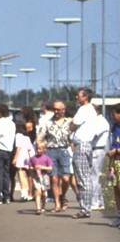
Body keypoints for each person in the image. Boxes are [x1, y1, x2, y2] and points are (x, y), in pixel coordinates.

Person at [38, 99, 71, 212]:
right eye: (54, 109)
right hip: (51, 151)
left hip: (64, 151)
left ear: (63, 110)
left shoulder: (69, 122)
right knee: (54, 178)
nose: (56, 112)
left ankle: (62, 196)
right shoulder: (48, 122)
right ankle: (57, 204)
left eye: (58, 109)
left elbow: (73, 138)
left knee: (66, 178)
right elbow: (40, 137)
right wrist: (40, 145)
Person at [70, 88, 97, 219]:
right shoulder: (91, 110)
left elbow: (73, 124)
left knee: (82, 178)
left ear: (85, 97)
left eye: (78, 95)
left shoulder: (84, 109)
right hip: (87, 145)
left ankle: (85, 209)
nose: (76, 97)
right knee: (85, 177)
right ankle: (86, 207)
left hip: (82, 145)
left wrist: (70, 125)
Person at [90, 103, 110, 211]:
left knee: (95, 176)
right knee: (97, 176)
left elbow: (93, 134)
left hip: (98, 149)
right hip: (96, 150)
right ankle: (101, 202)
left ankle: (95, 202)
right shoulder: (97, 121)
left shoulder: (101, 121)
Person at [28, 141, 53, 214]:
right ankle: (38, 208)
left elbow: (50, 168)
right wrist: (33, 168)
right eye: (37, 149)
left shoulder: (47, 158)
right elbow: (29, 167)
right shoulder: (33, 158)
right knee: (38, 191)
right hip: (36, 177)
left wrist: (42, 167)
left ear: (44, 149)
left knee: (44, 194)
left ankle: (43, 206)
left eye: (40, 149)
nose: (38, 150)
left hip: (45, 177)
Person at [13, 121, 35, 201]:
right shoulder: (27, 137)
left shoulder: (18, 135)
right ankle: (29, 193)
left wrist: (15, 158)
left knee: (21, 175)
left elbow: (18, 148)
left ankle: (24, 193)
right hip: (27, 157)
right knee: (27, 176)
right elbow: (30, 149)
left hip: (21, 157)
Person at [107, 105, 120, 228]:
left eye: (114, 114)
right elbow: (112, 144)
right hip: (114, 162)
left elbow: (116, 148)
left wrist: (116, 151)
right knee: (116, 189)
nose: (112, 116)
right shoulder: (114, 127)